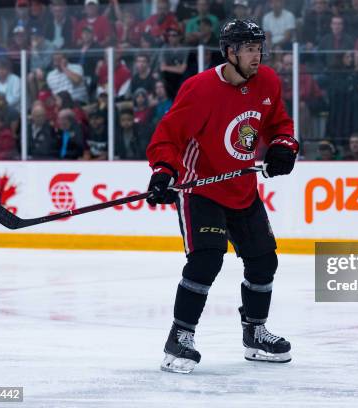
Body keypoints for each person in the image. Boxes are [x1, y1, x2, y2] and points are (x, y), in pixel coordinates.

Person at [145, 19, 297, 374]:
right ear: (229, 52)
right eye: (248, 49)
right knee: (206, 261)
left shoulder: (268, 82)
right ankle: (179, 337)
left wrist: (282, 146)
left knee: (263, 262)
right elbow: (168, 135)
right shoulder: (199, 89)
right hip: (202, 190)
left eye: (259, 48)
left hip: (242, 190)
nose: (256, 56)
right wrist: (163, 171)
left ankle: (255, 333)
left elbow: (279, 124)